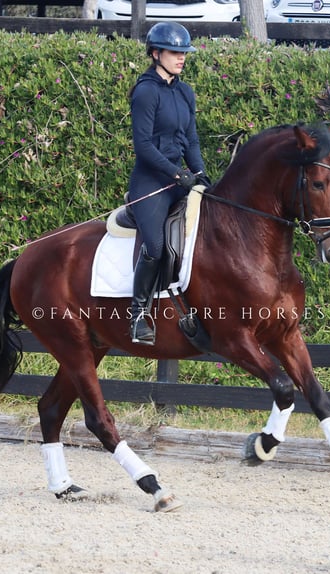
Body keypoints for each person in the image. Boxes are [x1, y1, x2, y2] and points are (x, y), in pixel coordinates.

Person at [127, 22, 209, 345]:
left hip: (180, 179)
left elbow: (191, 140)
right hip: (150, 183)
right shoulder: (146, 91)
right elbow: (143, 147)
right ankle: (137, 317)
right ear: (156, 53)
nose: (181, 58)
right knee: (157, 246)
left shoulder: (185, 92)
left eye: (184, 53)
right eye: (175, 52)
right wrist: (178, 175)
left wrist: (199, 173)